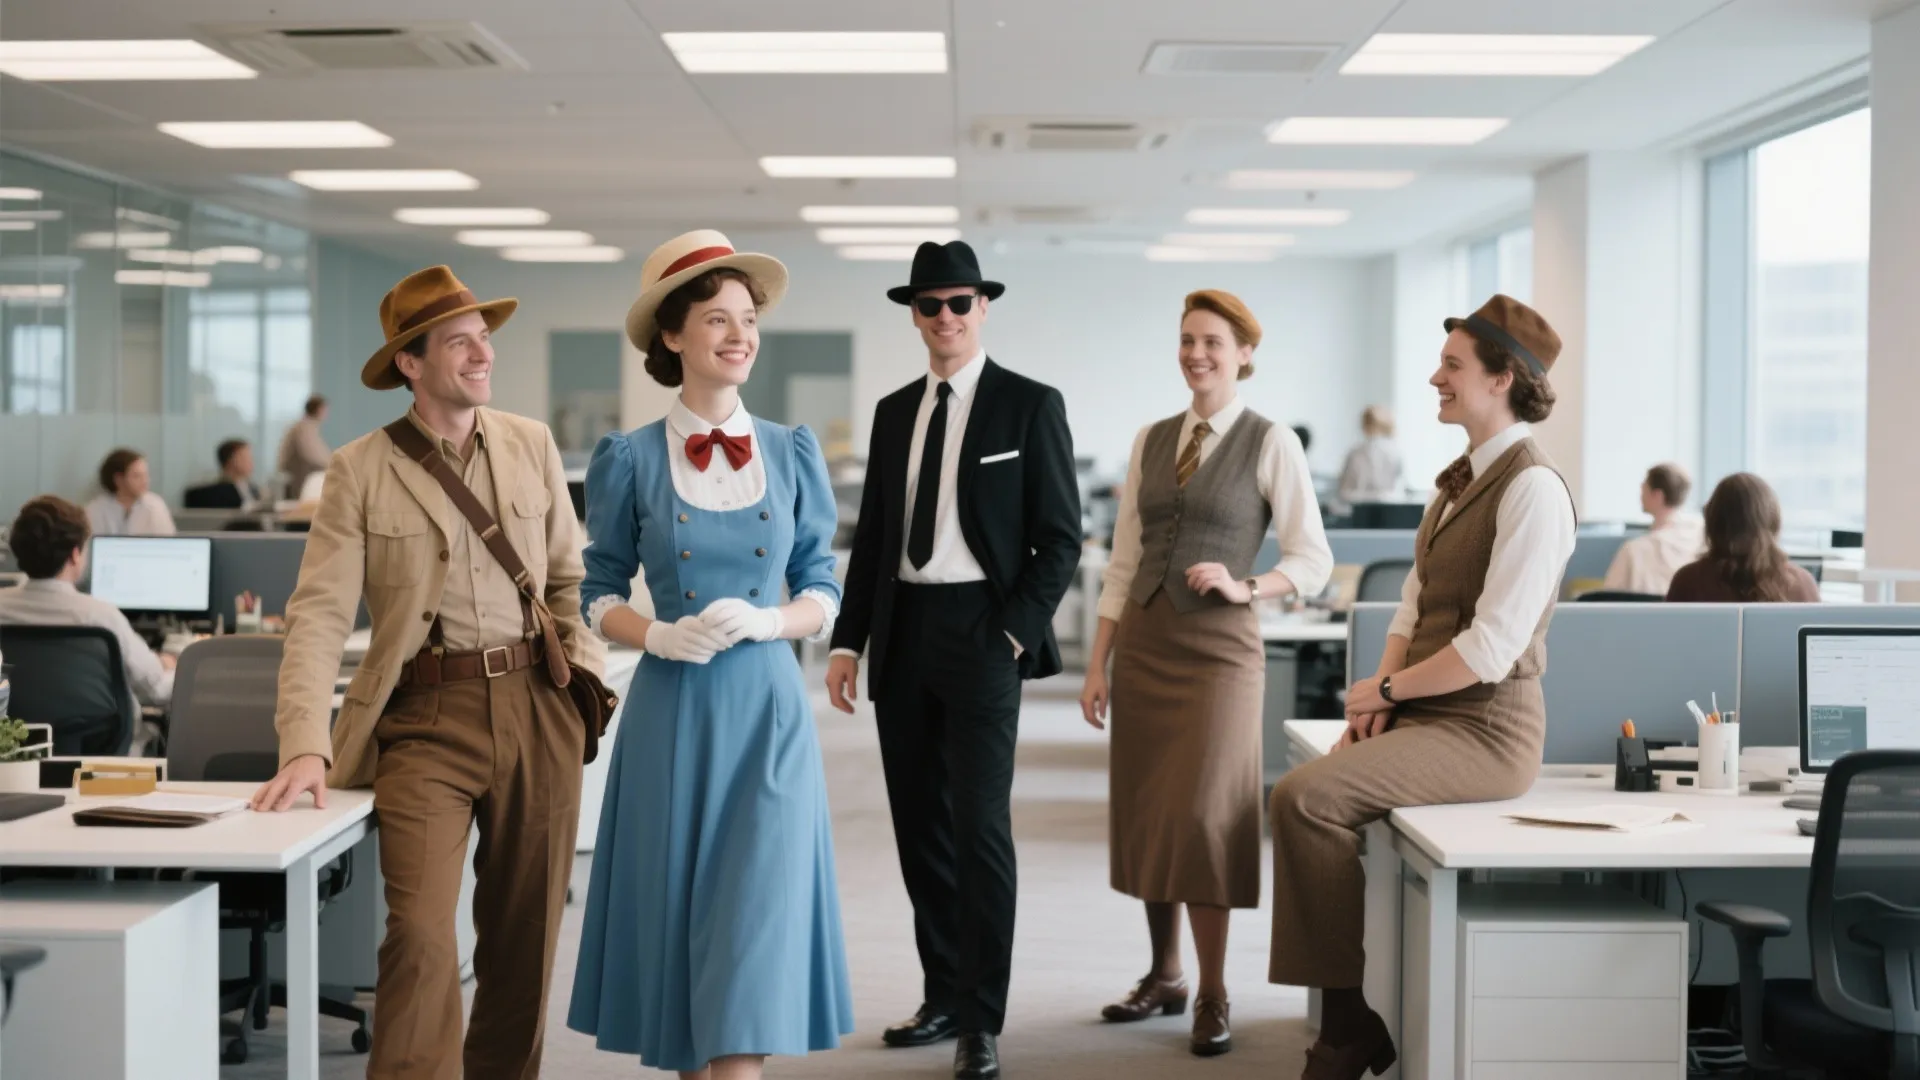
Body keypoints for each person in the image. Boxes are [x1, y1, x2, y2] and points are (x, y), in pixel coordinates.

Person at [248, 265, 603, 1079]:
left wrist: (574, 694)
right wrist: (305, 741)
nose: (482, 353)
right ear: (410, 362)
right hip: (424, 719)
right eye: (460, 342)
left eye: (485, 338)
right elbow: (319, 615)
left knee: (525, 938)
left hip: (535, 705)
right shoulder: (360, 468)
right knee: (418, 934)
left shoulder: (531, 443)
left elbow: (567, 582)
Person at [1267, 295, 1576, 1080]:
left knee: (1303, 798)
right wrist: (1381, 686)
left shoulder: (1533, 488)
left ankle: (1347, 1030)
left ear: (1503, 377)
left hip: (1485, 730)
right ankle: (1351, 1018)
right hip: (1426, 709)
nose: (1434, 377)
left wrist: (1390, 694)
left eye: (1453, 365)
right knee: (1306, 796)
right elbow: (1413, 603)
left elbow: (1491, 648)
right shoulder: (1456, 481)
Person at [568, 231, 854, 1078]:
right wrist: (653, 633)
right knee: (683, 934)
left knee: (752, 928)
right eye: (718, 319)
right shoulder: (626, 459)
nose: (740, 334)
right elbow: (597, 593)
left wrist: (774, 624)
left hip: (767, 714)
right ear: (671, 335)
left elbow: (823, 587)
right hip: (672, 715)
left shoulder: (793, 450)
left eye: (748, 319)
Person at [826, 240, 1081, 1080]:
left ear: (983, 307)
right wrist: (847, 640)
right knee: (919, 830)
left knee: (978, 830)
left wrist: (1011, 631)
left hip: (981, 630)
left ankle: (981, 1019)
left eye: (959, 303)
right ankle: (942, 993)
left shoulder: (1028, 405)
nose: (945, 318)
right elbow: (872, 543)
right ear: (914, 313)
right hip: (903, 632)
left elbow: (1060, 539)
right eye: (930, 305)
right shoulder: (896, 410)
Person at [1080, 290, 1332, 1057]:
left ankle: (1216, 991)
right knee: (1153, 813)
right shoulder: (1151, 439)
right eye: (1188, 340)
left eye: (1213, 342)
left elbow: (1312, 560)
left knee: (1205, 819)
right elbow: (1124, 562)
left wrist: (1246, 586)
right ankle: (1165, 974)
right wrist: (1097, 663)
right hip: (1147, 650)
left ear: (1244, 354)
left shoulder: (1269, 441)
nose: (1197, 354)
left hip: (1221, 655)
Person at [0, 496, 176, 738]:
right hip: (94, 753)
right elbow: (156, 691)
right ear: (75, 554)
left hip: (11, 750)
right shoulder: (99, 616)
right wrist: (169, 664)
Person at [1665, 472, 1819, 603]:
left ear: (1713, 521)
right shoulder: (1802, 583)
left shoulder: (1688, 581)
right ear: (1773, 521)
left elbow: (1667, 636)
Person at [1601, 463, 1704, 596]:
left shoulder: (1634, 550)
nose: (1640, 494)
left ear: (1657, 495)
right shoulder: (1702, 539)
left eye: (1644, 488)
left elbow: (1607, 599)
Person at [85, 448, 176, 537]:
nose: (145, 481)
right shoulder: (96, 509)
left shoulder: (155, 505)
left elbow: (167, 543)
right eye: (137, 476)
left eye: (146, 475)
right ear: (118, 479)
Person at [1335, 405, 1405, 512]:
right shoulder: (1394, 452)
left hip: (1360, 512)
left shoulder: (1355, 452)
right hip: (1387, 511)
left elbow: (1344, 491)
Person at [278, 394, 332, 499]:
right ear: (319, 409)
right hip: (298, 479)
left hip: (300, 478)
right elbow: (313, 455)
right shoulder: (304, 428)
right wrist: (334, 463)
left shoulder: (306, 426)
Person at [184, 439, 263, 511]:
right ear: (231, 460)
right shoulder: (208, 495)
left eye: (250, 457)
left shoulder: (253, 489)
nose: (251, 462)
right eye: (245, 457)